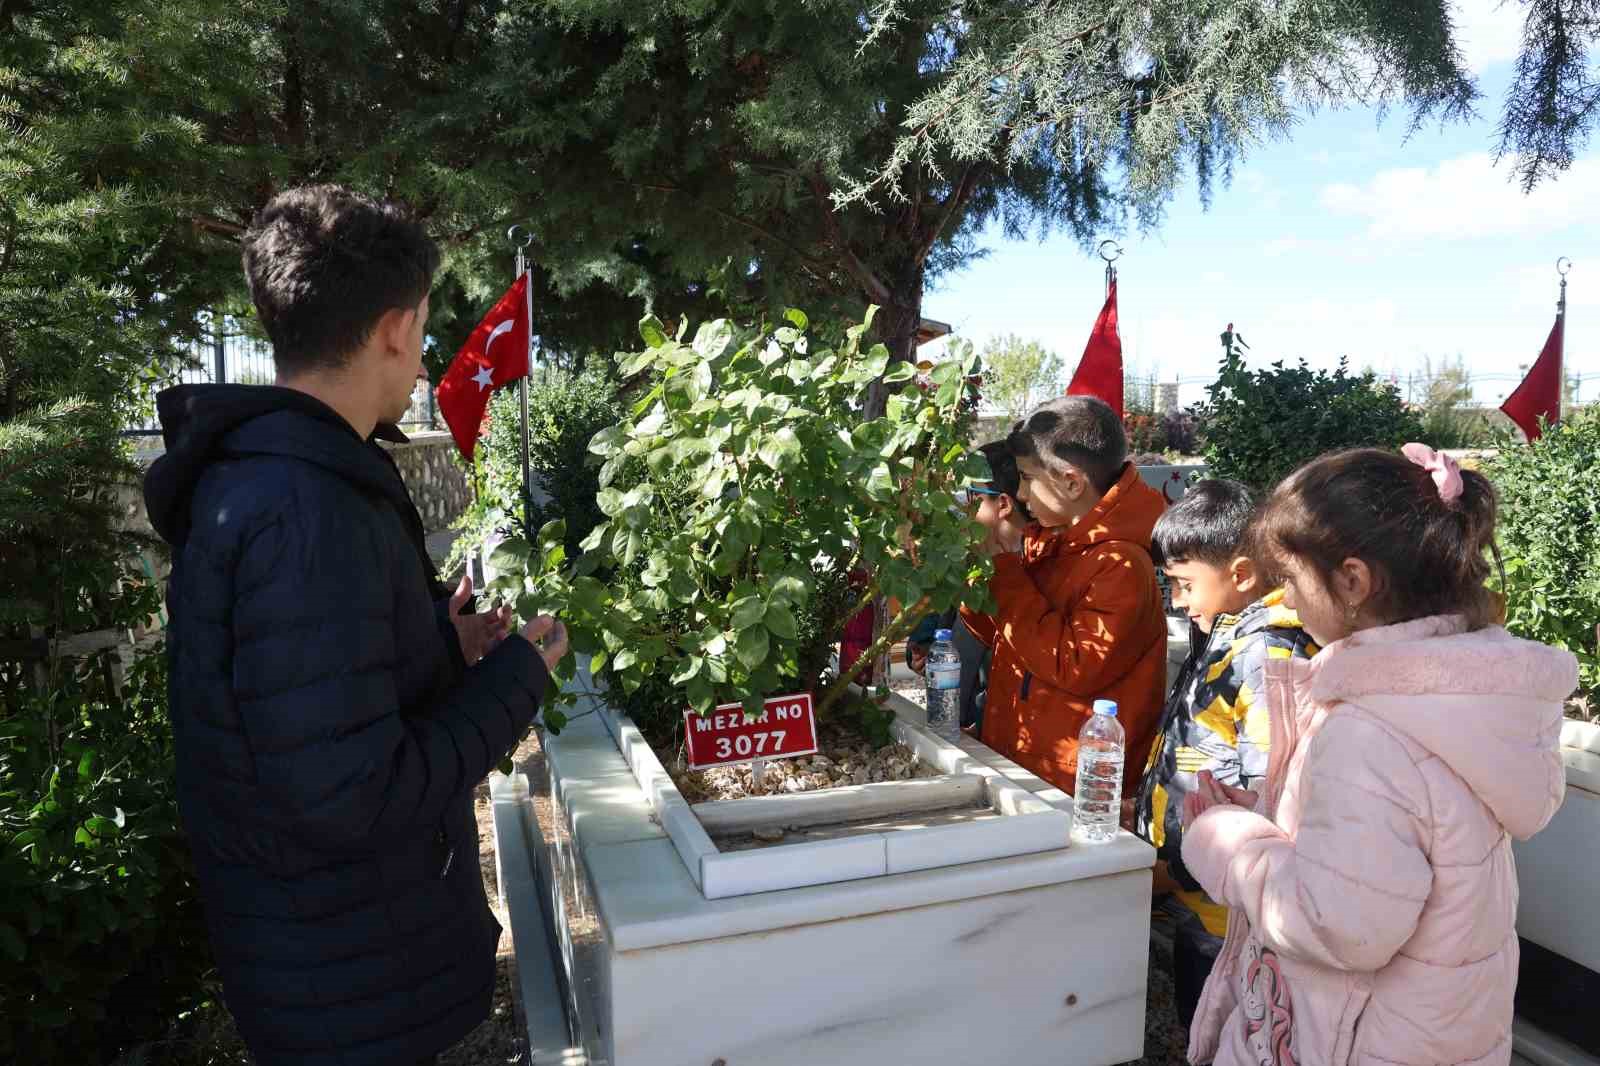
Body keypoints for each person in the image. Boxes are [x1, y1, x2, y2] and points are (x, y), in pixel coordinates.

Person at [143, 185, 568, 1066]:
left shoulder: (270, 480)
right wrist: (519, 675)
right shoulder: (307, 508)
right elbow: (354, 797)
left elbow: (303, 707)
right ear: (393, 328)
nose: (422, 367)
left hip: (327, 970)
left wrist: (437, 646)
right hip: (352, 998)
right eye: (421, 336)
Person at [1180, 445, 1574, 1066]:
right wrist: (1273, 815)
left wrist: (1224, 840)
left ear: (1353, 581)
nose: (1284, 598)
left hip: (1350, 1039)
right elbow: (1396, 843)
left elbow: (1337, 923)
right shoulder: (1452, 704)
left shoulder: (1369, 730)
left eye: (1289, 578)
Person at [1129, 479, 1316, 1031]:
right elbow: (1195, 748)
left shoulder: (1266, 654)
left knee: (1226, 1029)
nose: (1180, 602)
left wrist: (1179, 866)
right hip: (1202, 892)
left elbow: (1267, 793)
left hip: (1227, 909)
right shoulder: (1224, 633)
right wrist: (1146, 808)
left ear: (1240, 574)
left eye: (1185, 585)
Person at [960, 395, 1167, 794]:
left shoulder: (1120, 564)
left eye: (1026, 477)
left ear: (1071, 482)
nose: (1019, 495)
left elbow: (1073, 665)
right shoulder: (1050, 543)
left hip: (1075, 785)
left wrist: (1006, 576)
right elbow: (1003, 637)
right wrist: (980, 576)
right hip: (1026, 761)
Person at [906, 440, 1033, 732]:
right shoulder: (972, 555)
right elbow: (942, 616)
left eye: (973, 496)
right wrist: (923, 646)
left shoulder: (1034, 569)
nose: (966, 508)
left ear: (1003, 504)